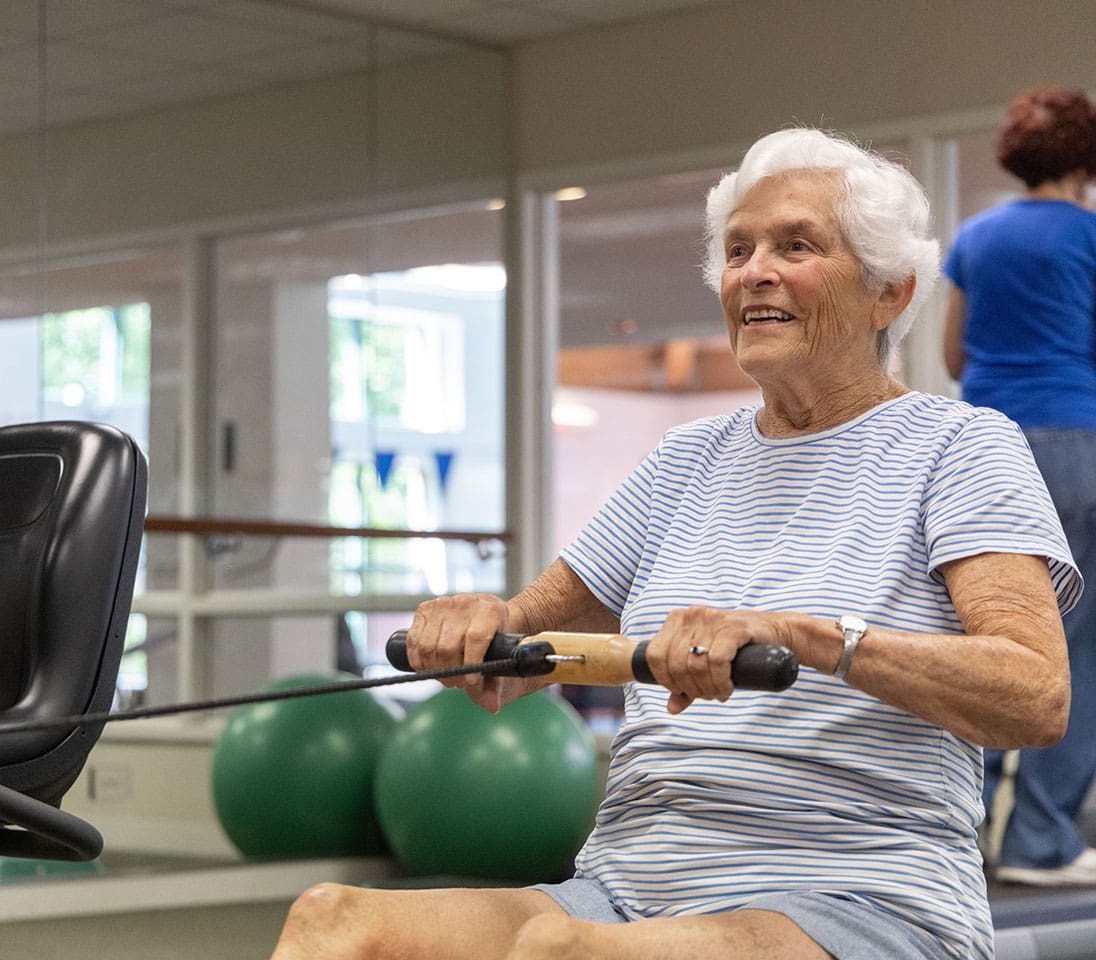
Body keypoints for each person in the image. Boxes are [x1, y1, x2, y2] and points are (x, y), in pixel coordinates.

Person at [269, 128, 1079, 960]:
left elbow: (1035, 693)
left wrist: (807, 637)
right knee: (336, 922)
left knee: (561, 953)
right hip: (626, 886)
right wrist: (475, 629)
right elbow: (520, 648)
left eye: (795, 245)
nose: (753, 271)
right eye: (737, 250)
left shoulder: (960, 446)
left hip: (856, 893)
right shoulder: (685, 460)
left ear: (889, 294)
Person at [942, 85, 1096, 887]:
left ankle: (951, 830)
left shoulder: (975, 236)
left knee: (991, 640)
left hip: (981, 449)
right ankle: (1039, 840)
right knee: (1077, 647)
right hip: (1078, 444)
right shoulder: (1093, 236)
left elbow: (956, 357)